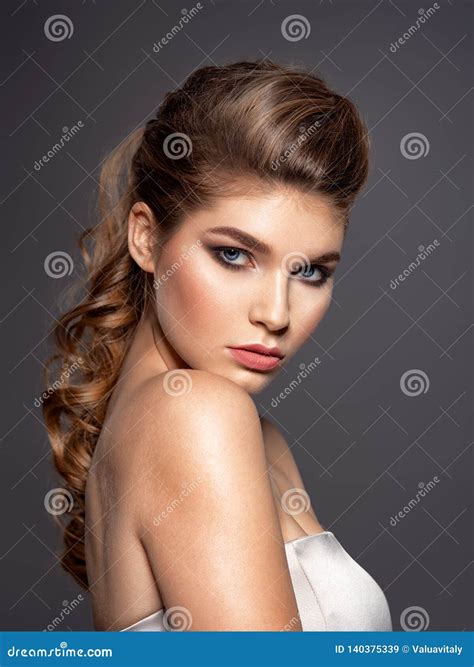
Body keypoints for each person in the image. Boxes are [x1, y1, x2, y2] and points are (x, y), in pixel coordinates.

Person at [43, 59, 392, 632]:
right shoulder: (196, 413)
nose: (276, 314)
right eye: (233, 254)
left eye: (310, 272)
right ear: (147, 238)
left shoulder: (245, 432)